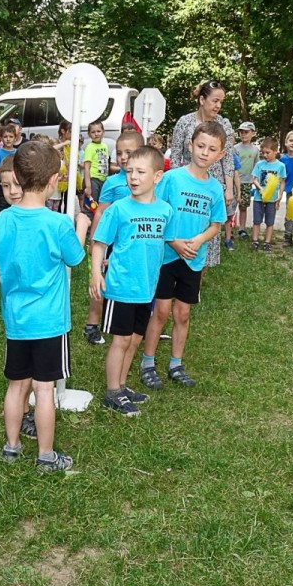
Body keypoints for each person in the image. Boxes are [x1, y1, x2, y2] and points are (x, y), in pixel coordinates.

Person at [0, 141, 85, 473]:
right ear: (54, 180)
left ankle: (11, 448)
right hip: (51, 323)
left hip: (16, 321)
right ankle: (45, 455)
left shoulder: (1, 222)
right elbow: (75, 258)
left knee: (16, 386)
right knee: (42, 391)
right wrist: (81, 226)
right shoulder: (58, 224)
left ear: (20, 177)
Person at [140, 121, 228, 388]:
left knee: (182, 314)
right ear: (190, 146)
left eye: (212, 149)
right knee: (162, 311)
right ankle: (148, 363)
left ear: (220, 155)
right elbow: (155, 210)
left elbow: (216, 224)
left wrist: (199, 240)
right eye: (200, 146)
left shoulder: (215, 189)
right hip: (167, 256)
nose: (204, 152)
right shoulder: (171, 178)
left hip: (193, 259)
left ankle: (176, 364)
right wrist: (174, 241)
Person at [90, 146, 171, 416]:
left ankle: (122, 385)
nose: (133, 177)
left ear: (157, 176)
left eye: (140, 172)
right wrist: (95, 273)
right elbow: (100, 244)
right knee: (121, 341)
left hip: (146, 289)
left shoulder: (165, 211)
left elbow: (164, 245)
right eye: (129, 172)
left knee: (135, 339)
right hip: (121, 288)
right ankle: (112, 393)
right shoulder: (118, 210)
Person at [82, 130, 145, 347]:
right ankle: (92, 324)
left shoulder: (149, 183)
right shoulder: (112, 183)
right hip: (111, 245)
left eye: (129, 152)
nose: (124, 157)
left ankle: (131, 323)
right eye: (119, 153)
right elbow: (100, 211)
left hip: (135, 245)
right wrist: (94, 240)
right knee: (102, 283)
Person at [168, 81, 237, 267]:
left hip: (212, 186)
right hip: (185, 184)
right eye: (215, 100)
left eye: (221, 102)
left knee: (208, 230)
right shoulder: (185, 122)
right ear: (201, 99)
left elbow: (228, 159)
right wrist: (175, 185)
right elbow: (175, 156)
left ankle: (195, 280)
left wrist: (228, 189)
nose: (218, 106)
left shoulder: (224, 125)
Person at [248, 136, 285, 251]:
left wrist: (279, 196)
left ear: (275, 152)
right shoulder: (259, 165)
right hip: (259, 198)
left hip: (272, 199)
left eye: (268, 153)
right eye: (263, 153)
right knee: (256, 221)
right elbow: (254, 179)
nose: (265, 155)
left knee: (270, 222)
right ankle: (255, 241)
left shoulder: (280, 166)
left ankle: (267, 242)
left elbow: (282, 181)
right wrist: (260, 189)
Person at [234, 122, 260, 239]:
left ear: (253, 133)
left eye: (246, 132)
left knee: (243, 206)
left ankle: (242, 229)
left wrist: (256, 180)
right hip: (235, 181)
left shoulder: (255, 150)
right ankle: (228, 228)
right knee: (230, 206)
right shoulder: (235, 148)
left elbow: (257, 166)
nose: (243, 134)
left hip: (247, 182)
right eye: (241, 132)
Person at [81, 120, 114, 208]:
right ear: (89, 134)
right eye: (93, 132)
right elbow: (87, 168)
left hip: (103, 180)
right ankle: (89, 220)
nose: (96, 134)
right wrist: (88, 186)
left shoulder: (105, 146)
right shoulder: (90, 148)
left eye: (98, 131)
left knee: (101, 205)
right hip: (93, 180)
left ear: (103, 132)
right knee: (91, 206)